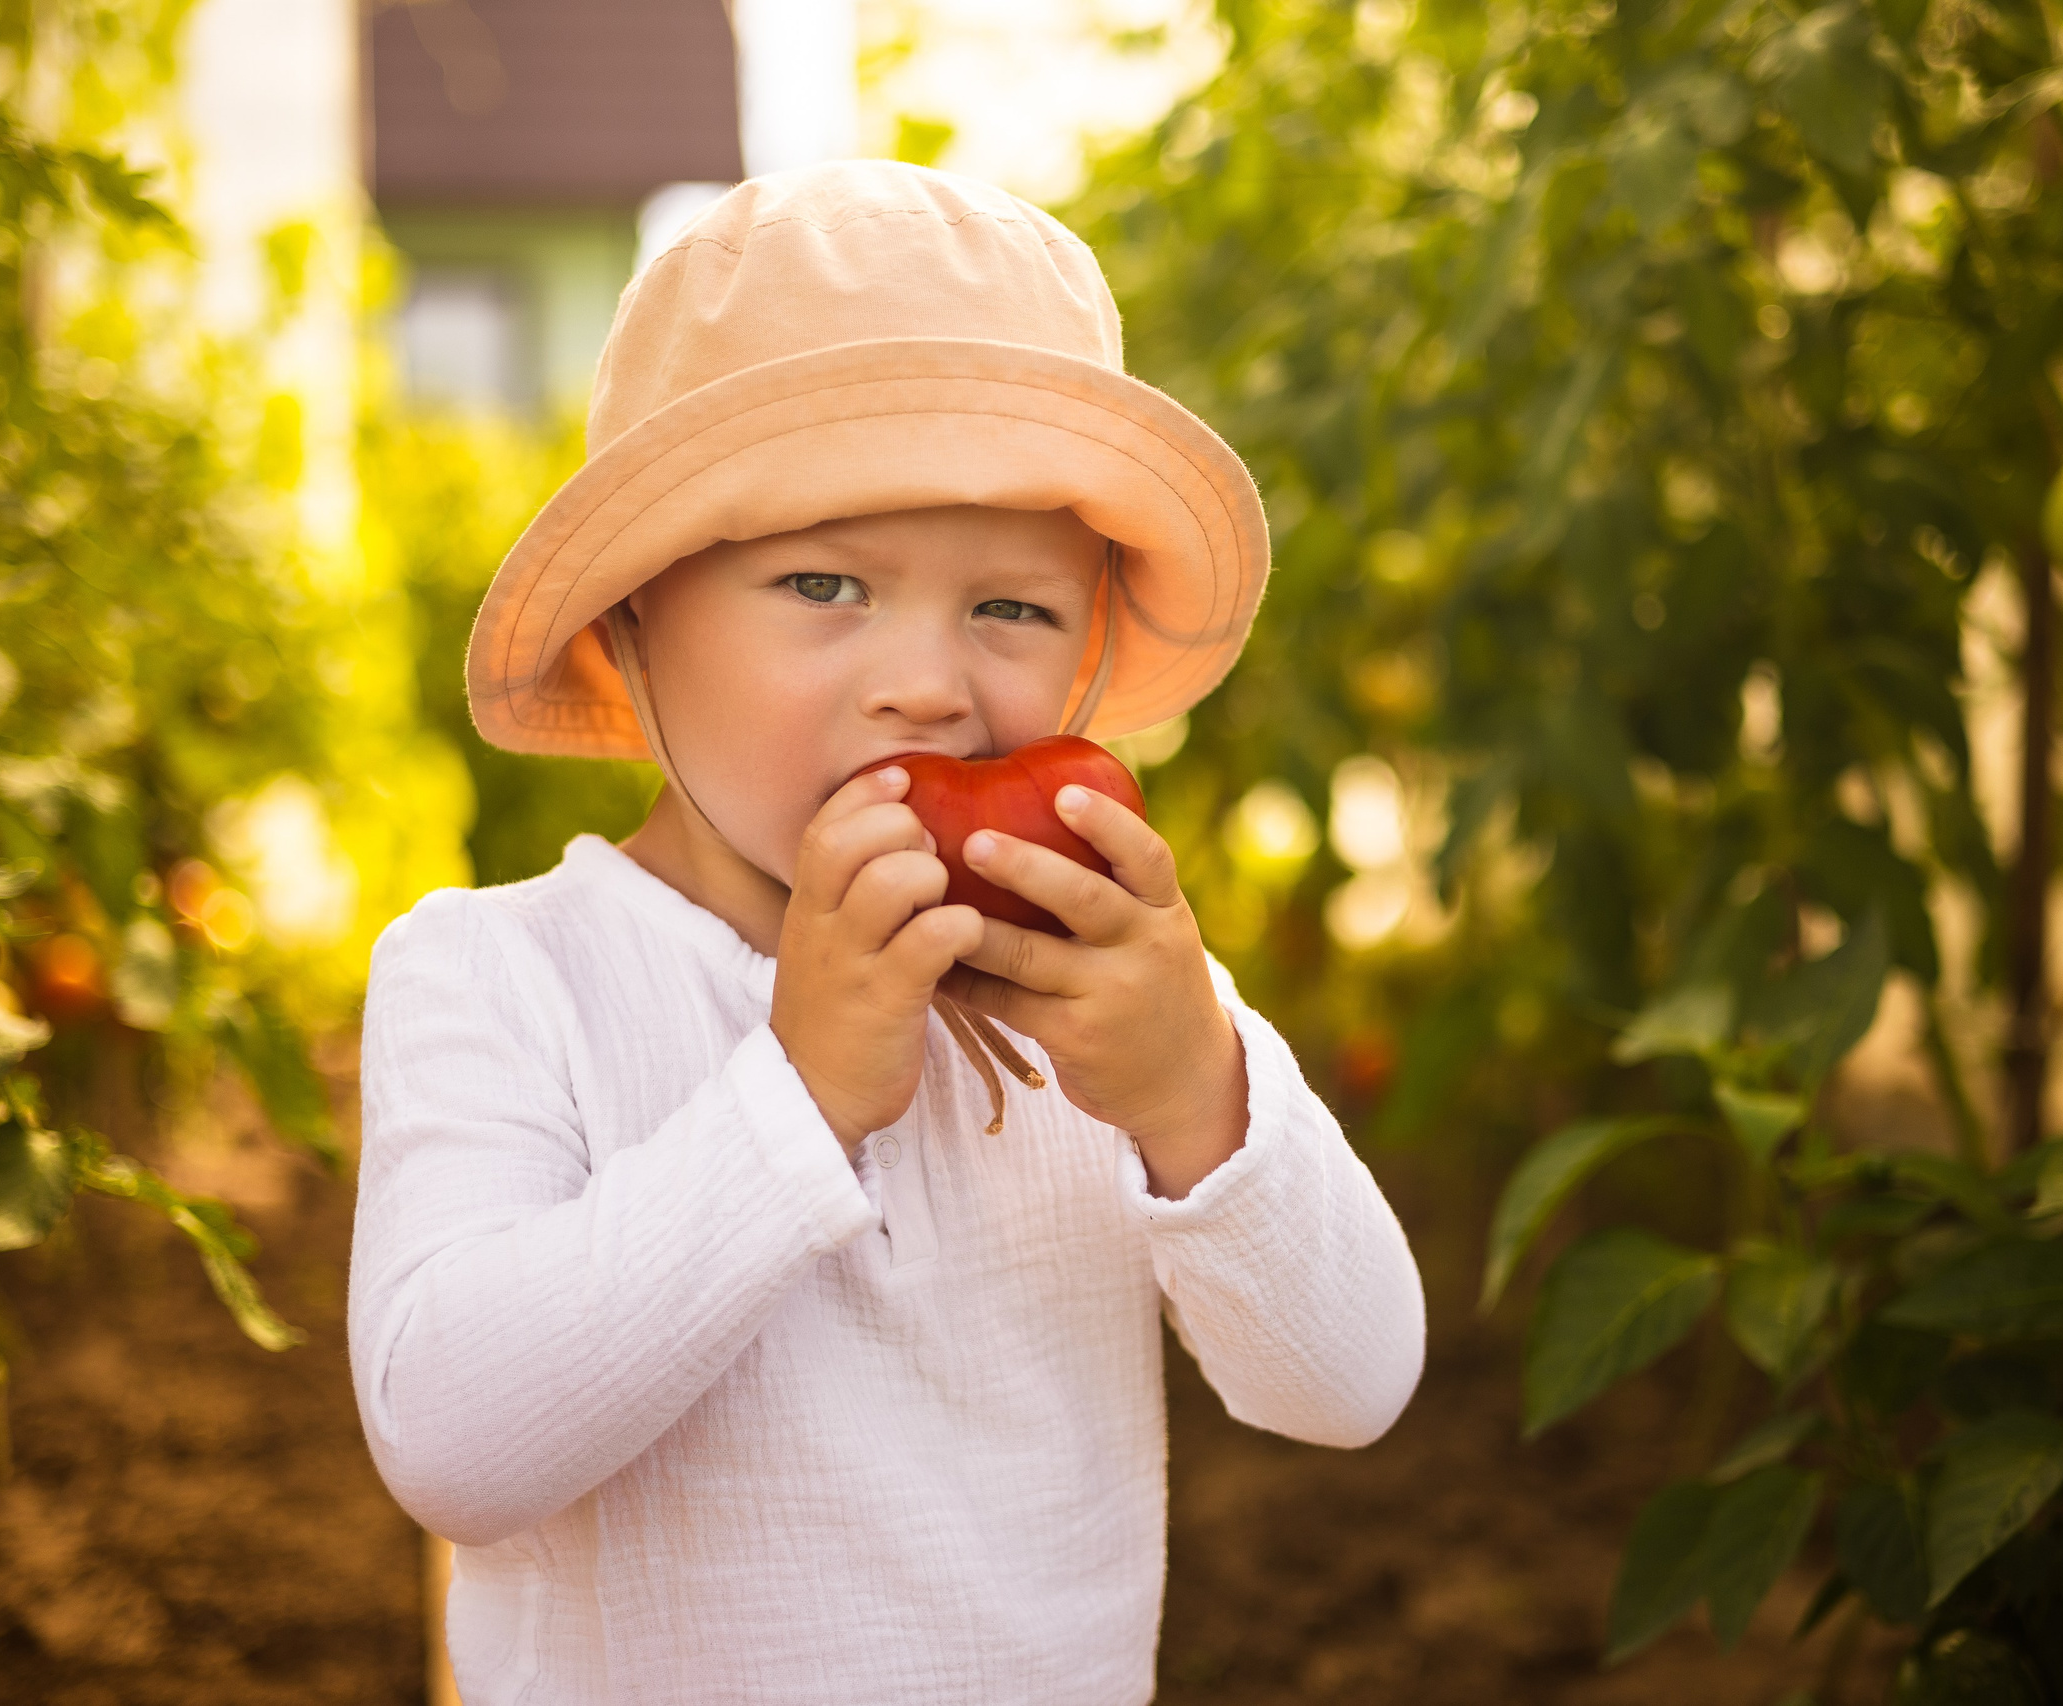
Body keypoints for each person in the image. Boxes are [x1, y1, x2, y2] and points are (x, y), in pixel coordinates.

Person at [347, 160, 1424, 1706]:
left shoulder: (1100, 990)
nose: (925, 679)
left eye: (1014, 610)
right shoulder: (505, 978)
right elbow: (451, 1441)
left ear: (1092, 650)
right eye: (826, 583)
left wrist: (1197, 1091)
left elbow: (1354, 1379)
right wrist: (792, 1098)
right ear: (630, 620)